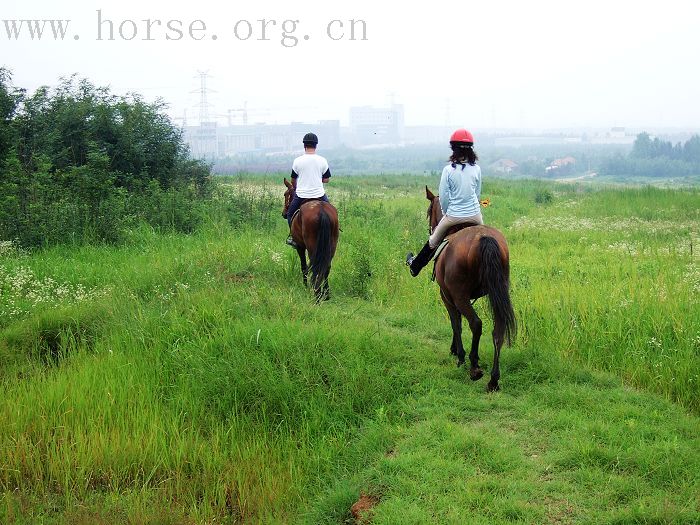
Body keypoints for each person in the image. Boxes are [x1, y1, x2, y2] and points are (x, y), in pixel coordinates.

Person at [406, 128, 483, 276]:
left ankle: (415, 266)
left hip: (453, 216)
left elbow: (444, 196)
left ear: (453, 149)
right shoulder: (477, 169)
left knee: (433, 240)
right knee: (486, 239)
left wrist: (448, 213)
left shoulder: (448, 170)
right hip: (475, 216)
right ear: (470, 150)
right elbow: (477, 194)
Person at [284, 132, 332, 247]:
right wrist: (316, 180)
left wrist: (297, 186)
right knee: (331, 212)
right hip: (319, 194)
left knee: (290, 214)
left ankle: (293, 236)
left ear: (304, 145)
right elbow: (326, 180)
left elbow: (293, 180)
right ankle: (334, 231)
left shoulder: (297, 161)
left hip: (301, 195)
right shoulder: (322, 160)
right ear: (316, 145)